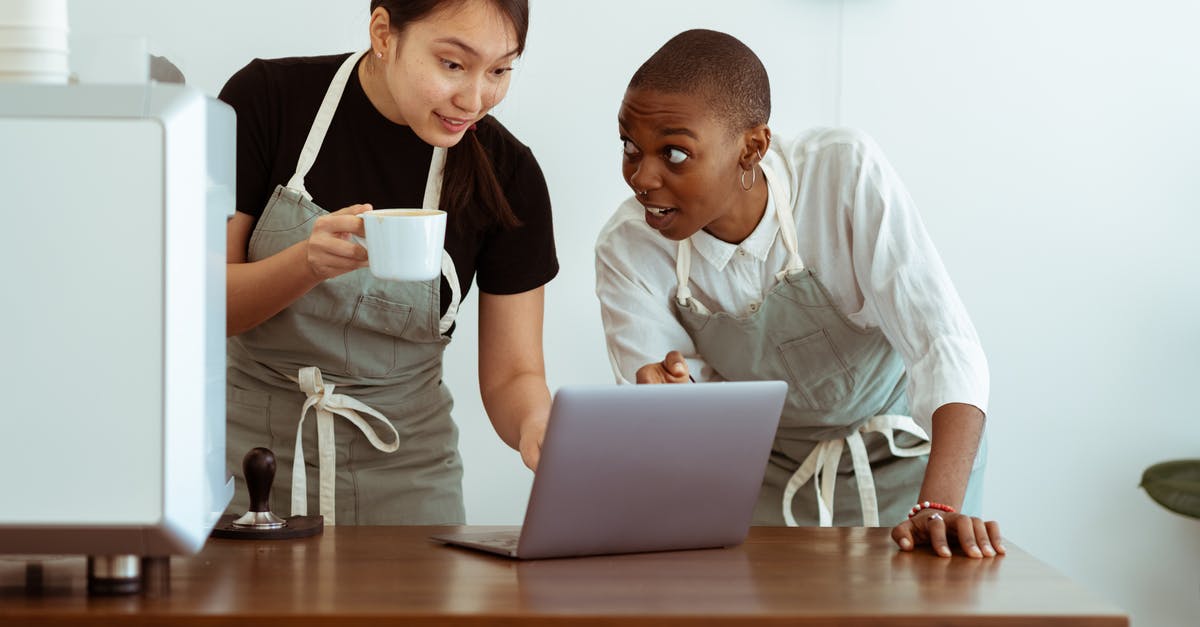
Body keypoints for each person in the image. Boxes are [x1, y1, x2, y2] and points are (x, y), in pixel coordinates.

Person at [595, 29, 1003, 558]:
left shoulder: (842, 173)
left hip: (912, 463)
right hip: (767, 477)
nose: (641, 177)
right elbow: (677, 423)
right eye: (630, 146)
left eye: (674, 153)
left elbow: (943, 343)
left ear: (753, 148)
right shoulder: (628, 248)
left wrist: (939, 507)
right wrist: (670, 406)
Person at [220, 0, 557, 525]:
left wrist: (538, 425)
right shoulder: (266, 101)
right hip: (247, 472)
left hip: (411, 484)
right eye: (452, 64)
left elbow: (514, 373)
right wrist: (303, 264)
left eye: (500, 70)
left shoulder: (509, 173)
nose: (473, 99)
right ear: (383, 33)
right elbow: (204, 309)